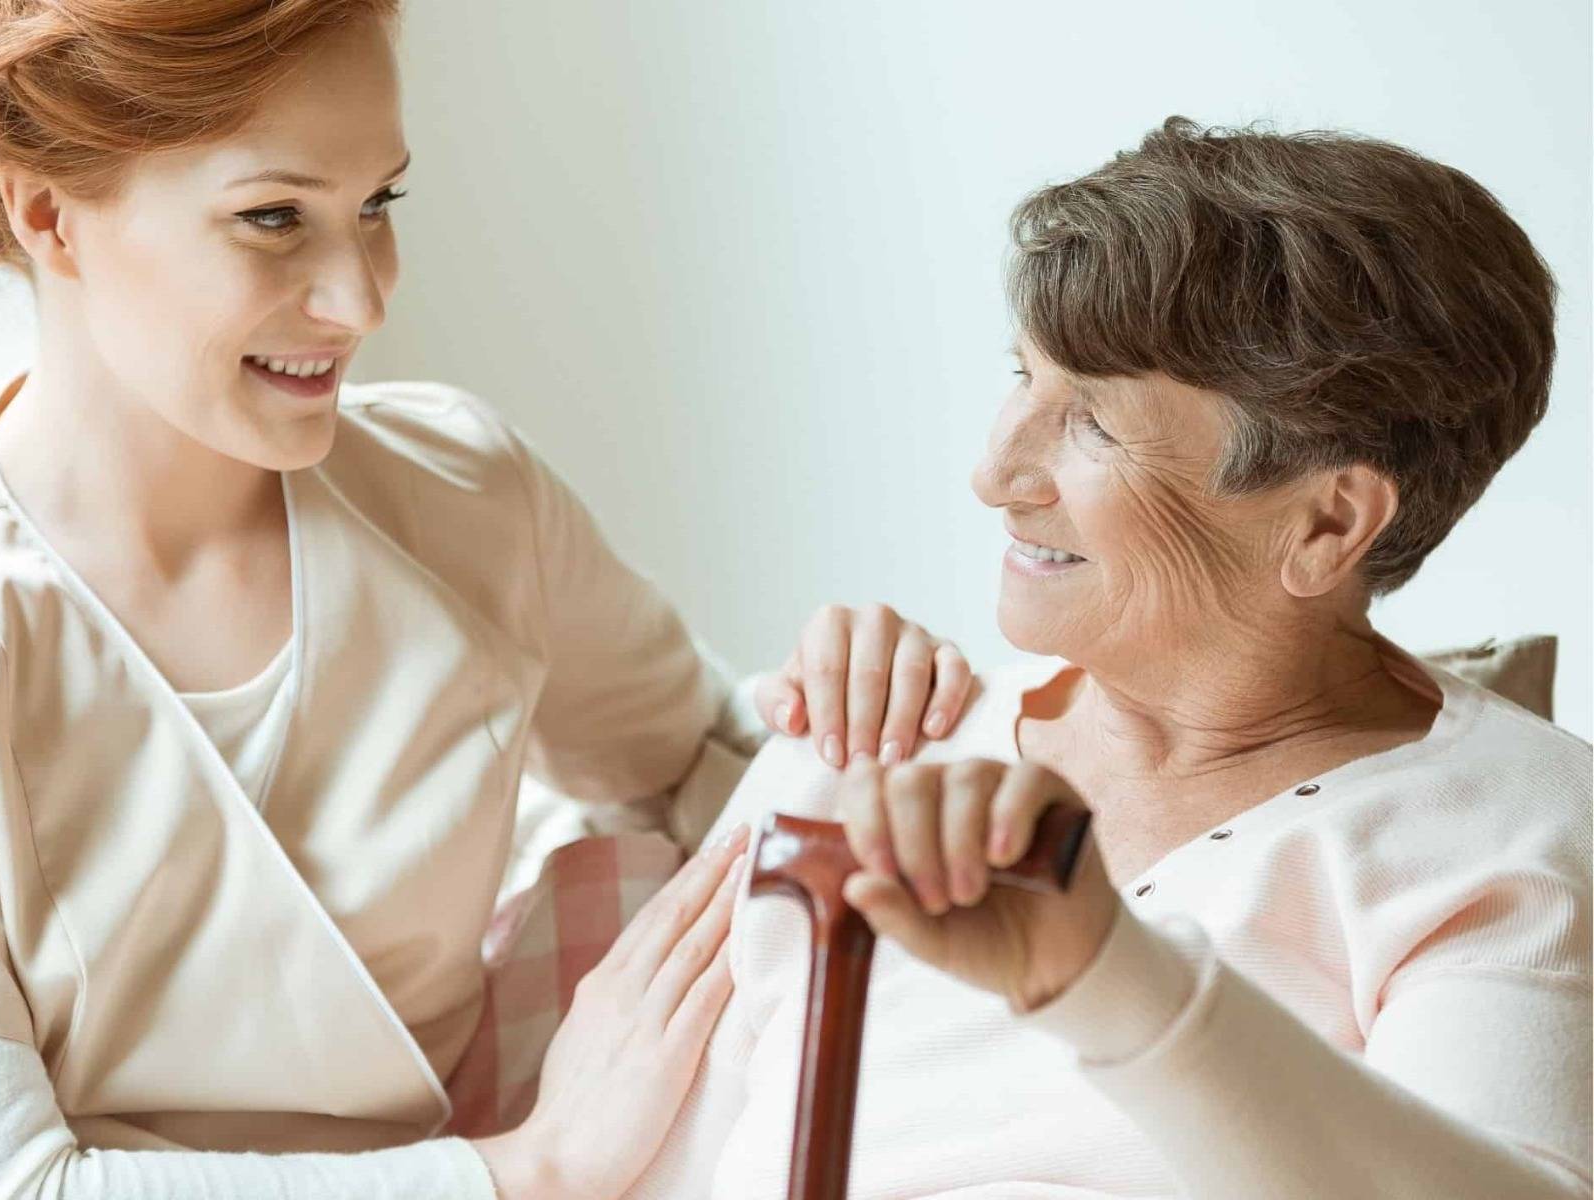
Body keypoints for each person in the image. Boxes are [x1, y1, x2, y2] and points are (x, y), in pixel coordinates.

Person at [0, 3, 976, 1197]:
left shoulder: (464, 492)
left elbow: (704, 772)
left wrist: (853, 719)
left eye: (377, 204)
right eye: (273, 217)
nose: (360, 300)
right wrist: (533, 1167)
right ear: (47, 213)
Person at [624, 118, 1592, 1199]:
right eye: (1022, 378)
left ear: (1327, 522)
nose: (994, 474)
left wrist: (1109, 980)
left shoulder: (1510, 833)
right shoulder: (863, 745)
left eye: (1091, 422)